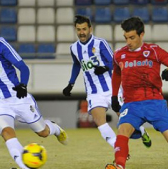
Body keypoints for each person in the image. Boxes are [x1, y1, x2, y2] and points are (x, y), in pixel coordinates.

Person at [0, 15, 68, 169]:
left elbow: (23, 67)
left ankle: (54, 128)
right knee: (6, 132)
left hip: (17, 97)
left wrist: (23, 85)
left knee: (42, 132)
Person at [106, 17, 168, 169]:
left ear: (142, 35)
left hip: (155, 103)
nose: (128, 42)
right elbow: (117, 74)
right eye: (126, 38)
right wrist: (114, 96)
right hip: (132, 104)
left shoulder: (154, 51)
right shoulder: (119, 54)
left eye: (132, 37)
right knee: (123, 131)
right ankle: (120, 168)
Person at [62, 15, 152, 152]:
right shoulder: (74, 48)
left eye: (84, 29)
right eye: (79, 29)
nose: (81, 32)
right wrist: (70, 84)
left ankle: (142, 131)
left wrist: (104, 67)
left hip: (112, 88)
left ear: (90, 29)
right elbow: (76, 64)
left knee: (125, 117)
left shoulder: (100, 43)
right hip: (93, 92)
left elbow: (114, 62)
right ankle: (120, 150)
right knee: (101, 123)